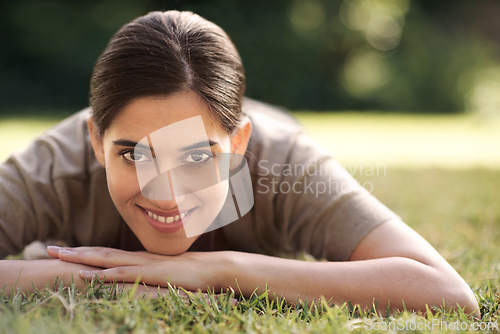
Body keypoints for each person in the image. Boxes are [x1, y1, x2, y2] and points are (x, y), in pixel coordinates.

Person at [0, 10, 479, 315]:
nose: (165, 193)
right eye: (133, 154)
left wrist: (221, 270)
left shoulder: (283, 163)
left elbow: (446, 291)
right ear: (95, 141)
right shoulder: (55, 166)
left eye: (195, 156)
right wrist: (93, 278)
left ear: (238, 143)